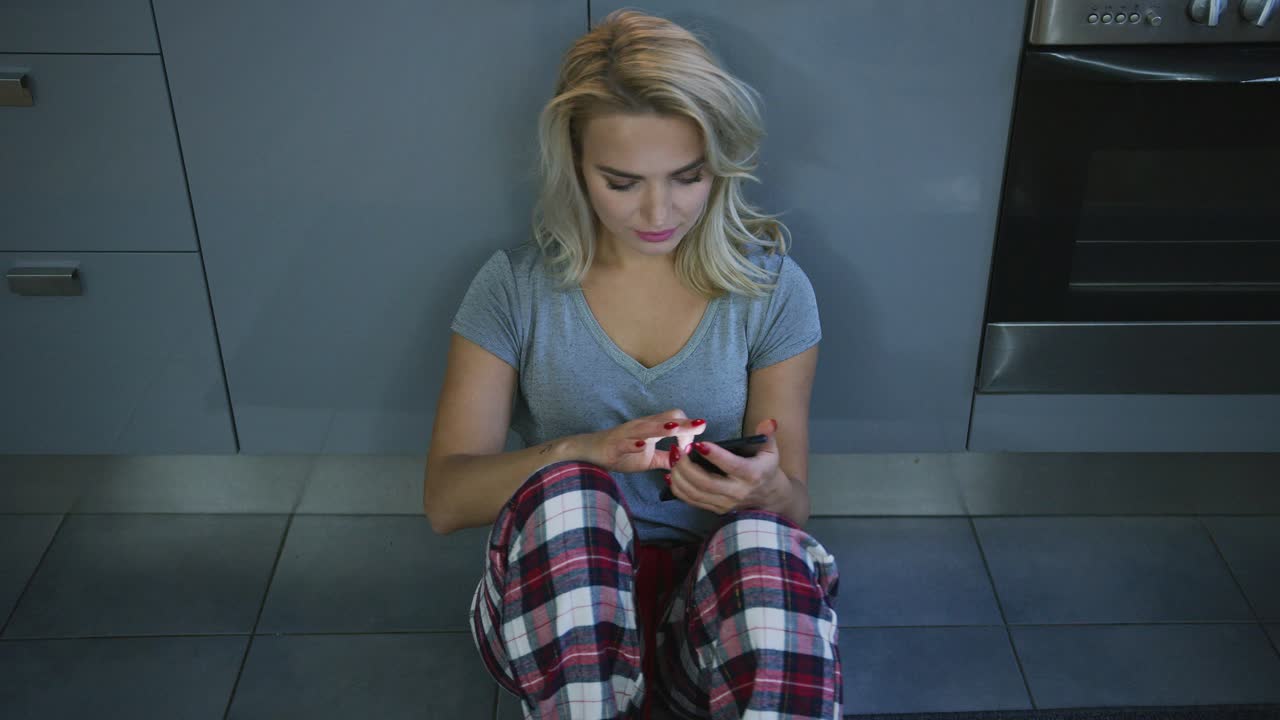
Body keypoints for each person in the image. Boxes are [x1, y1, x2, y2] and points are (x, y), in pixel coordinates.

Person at [423, 9, 840, 720]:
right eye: (622, 182)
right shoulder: (514, 288)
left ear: (719, 164)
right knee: (572, 497)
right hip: (556, 611)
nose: (659, 210)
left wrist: (764, 491)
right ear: (576, 168)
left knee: (766, 545)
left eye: (687, 177)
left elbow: (797, 506)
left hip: (707, 625)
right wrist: (582, 451)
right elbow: (445, 502)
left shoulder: (773, 291)